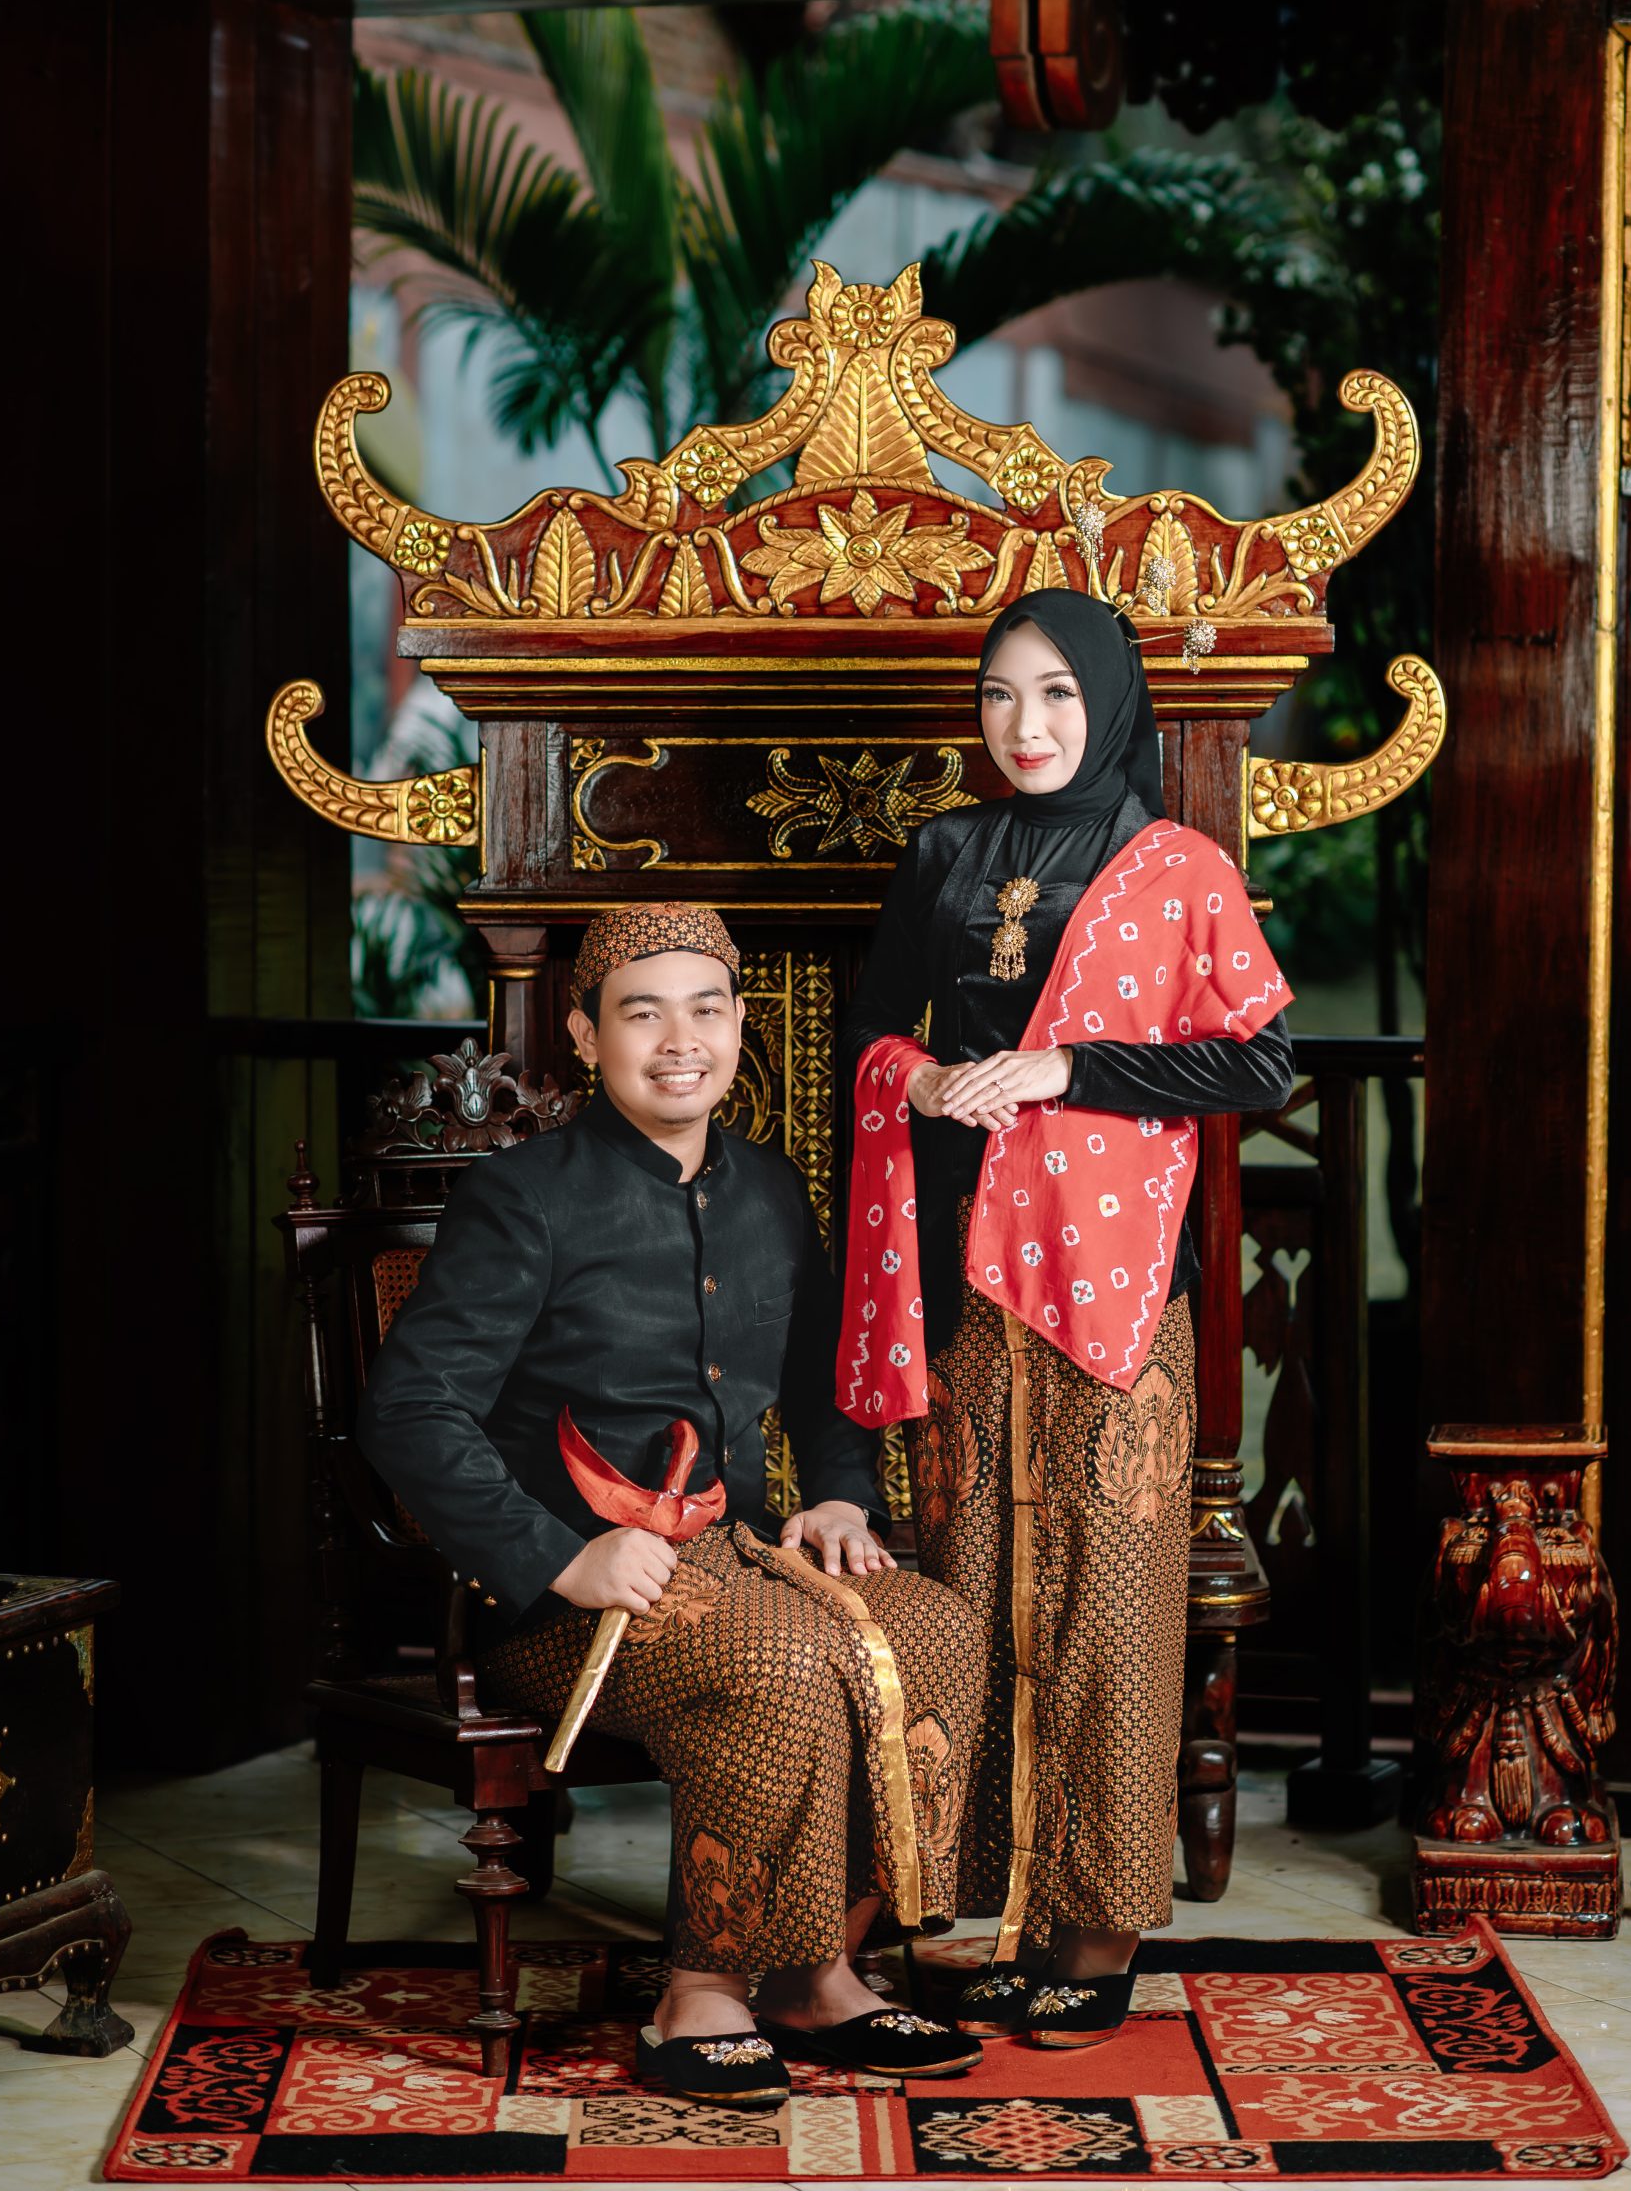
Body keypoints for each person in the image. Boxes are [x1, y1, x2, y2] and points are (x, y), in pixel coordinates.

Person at [359, 901, 987, 2110]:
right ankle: (699, 1992)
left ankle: (818, 1971)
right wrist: (562, 1556)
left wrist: (840, 1495)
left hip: (739, 1554)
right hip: (563, 1606)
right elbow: (410, 1409)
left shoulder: (770, 1189)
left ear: (741, 1024)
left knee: (938, 1631)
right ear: (584, 1035)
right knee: (781, 1662)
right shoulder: (522, 1197)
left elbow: (821, 1381)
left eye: (705, 1010)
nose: (679, 1041)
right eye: (642, 1014)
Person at [840, 586, 1295, 2047]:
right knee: (965, 1590)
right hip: (964, 1271)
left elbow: (1258, 1062)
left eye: (1053, 694)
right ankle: (977, 1911)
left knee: (1112, 1608)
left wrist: (1064, 1070)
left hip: (1115, 1284)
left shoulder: (1176, 865)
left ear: (1106, 702)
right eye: (997, 695)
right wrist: (916, 1079)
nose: (1022, 725)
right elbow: (869, 1027)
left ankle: (1094, 1934)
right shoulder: (941, 851)